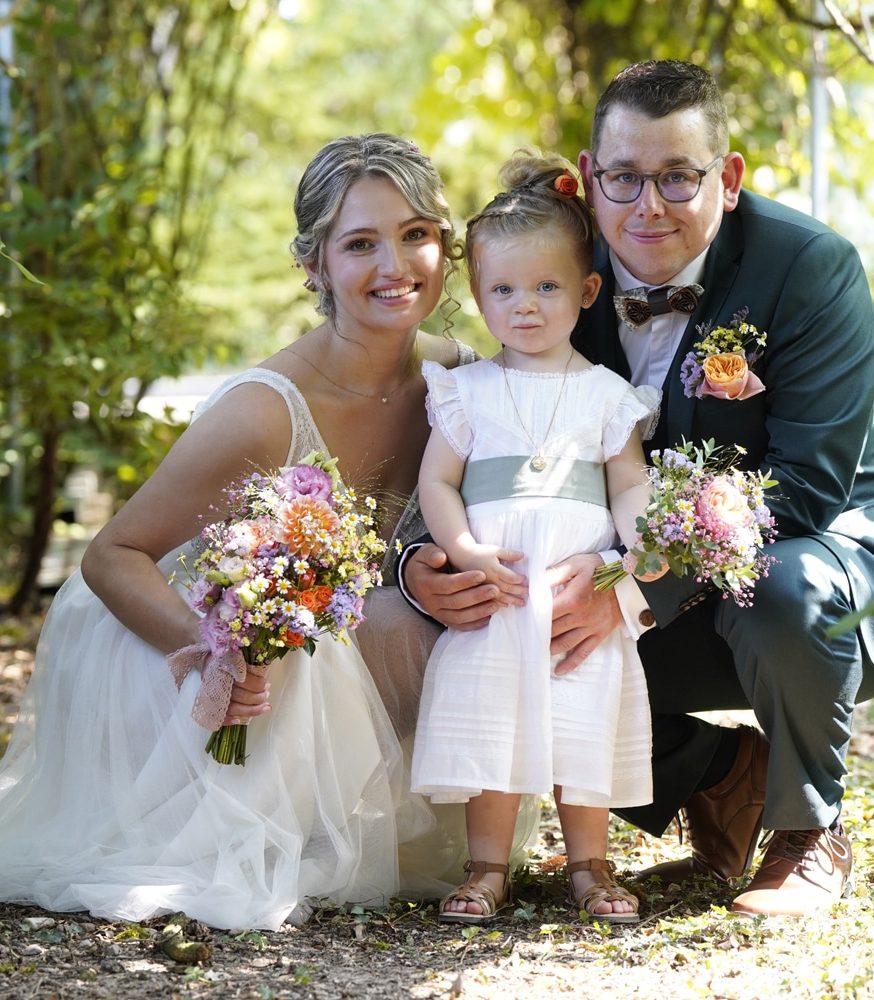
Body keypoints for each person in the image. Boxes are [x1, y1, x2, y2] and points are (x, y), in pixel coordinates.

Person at [403, 61, 874, 918]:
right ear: (590, 180)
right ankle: (723, 773)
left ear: (728, 179)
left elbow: (804, 491)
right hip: (635, 563)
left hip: (824, 557)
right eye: (624, 178)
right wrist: (427, 565)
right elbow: (483, 441)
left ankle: (811, 833)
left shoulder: (809, 268)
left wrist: (632, 591)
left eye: (677, 176)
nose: (648, 206)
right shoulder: (552, 269)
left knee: (780, 582)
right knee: (499, 628)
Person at [0, 132, 536, 932]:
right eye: (360, 243)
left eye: (415, 234)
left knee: (439, 623)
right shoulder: (263, 408)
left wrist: (430, 566)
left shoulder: (463, 377)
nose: (395, 265)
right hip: (178, 644)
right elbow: (113, 556)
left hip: (329, 634)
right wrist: (213, 656)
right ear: (313, 265)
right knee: (318, 642)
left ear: (447, 248)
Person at [410, 152, 661, 925]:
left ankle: (590, 864)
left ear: (587, 292)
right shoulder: (466, 391)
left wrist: (632, 561)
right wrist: (464, 549)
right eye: (504, 289)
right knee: (493, 727)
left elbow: (627, 484)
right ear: (479, 296)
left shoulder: (607, 395)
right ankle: (488, 866)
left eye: (547, 286)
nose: (526, 306)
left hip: (574, 597)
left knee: (581, 722)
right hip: (499, 592)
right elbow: (437, 485)